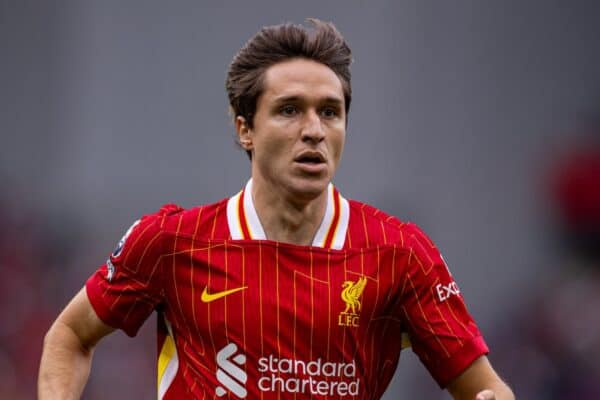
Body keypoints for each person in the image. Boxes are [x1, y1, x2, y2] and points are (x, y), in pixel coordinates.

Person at [38, 19, 514, 399]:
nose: (314, 130)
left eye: (330, 112)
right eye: (290, 110)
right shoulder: (171, 241)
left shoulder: (400, 253)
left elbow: (485, 387)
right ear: (246, 129)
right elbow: (70, 336)